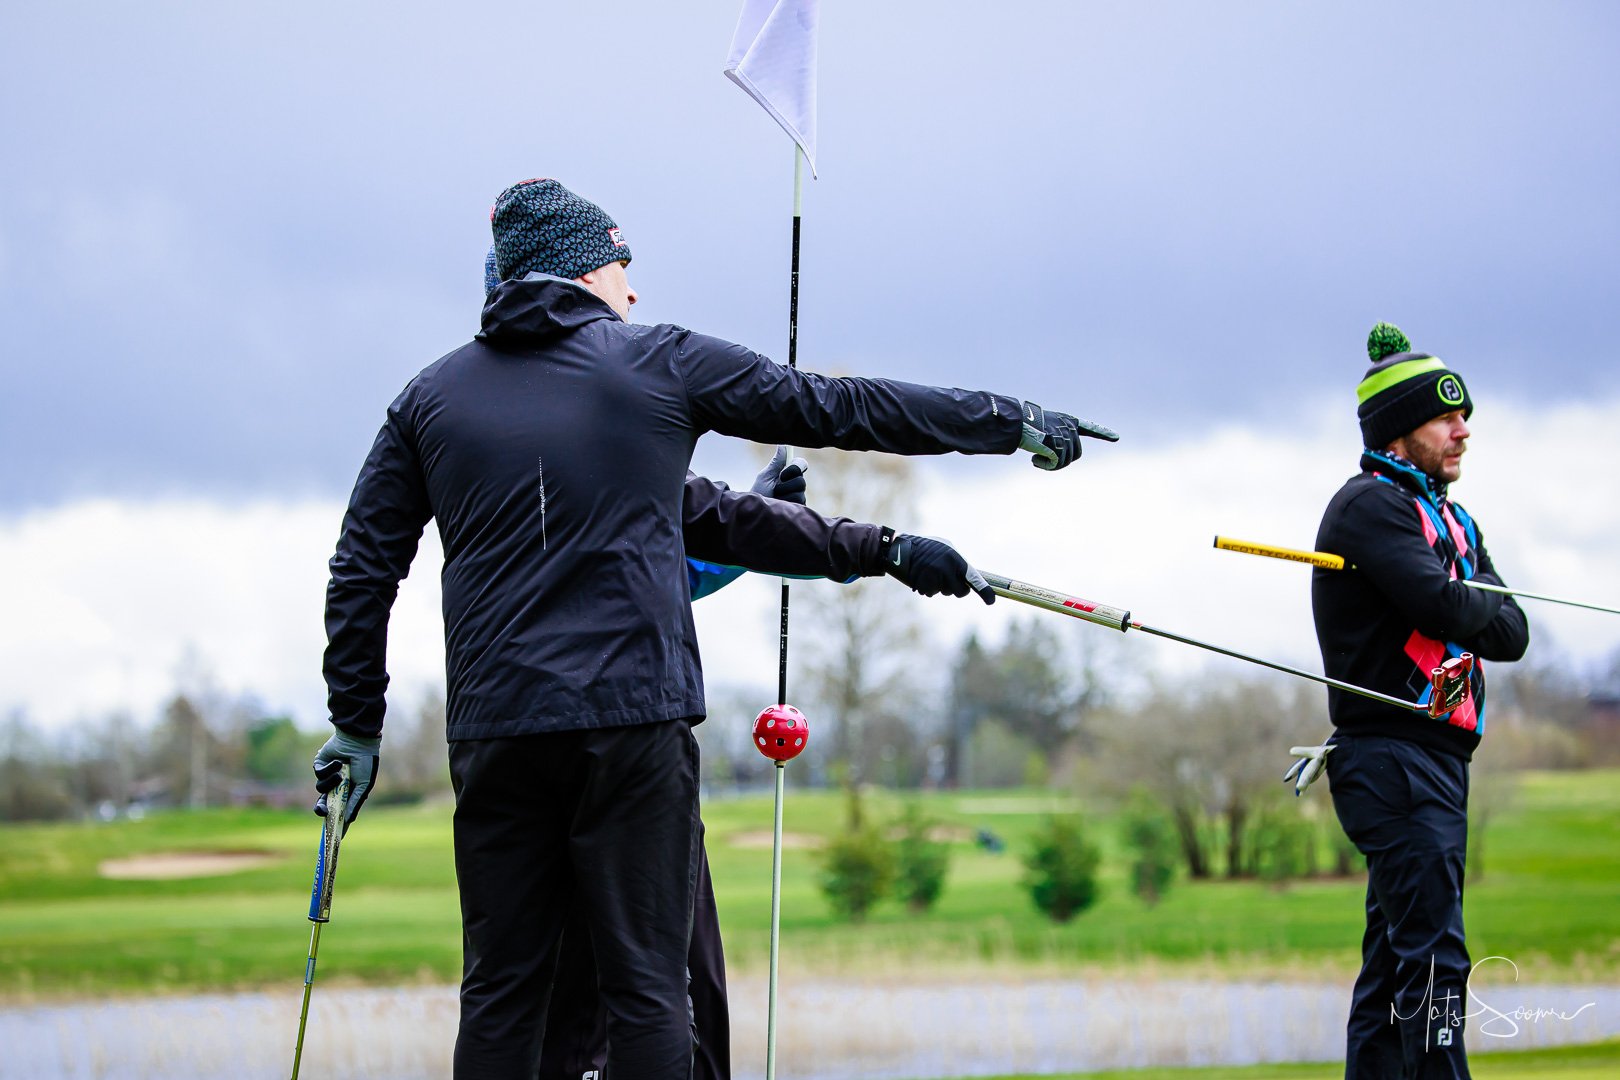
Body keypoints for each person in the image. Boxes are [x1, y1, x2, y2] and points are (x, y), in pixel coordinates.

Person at [317, 177, 1117, 1080]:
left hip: (497, 732)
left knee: (501, 995)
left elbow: (362, 568)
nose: (634, 290)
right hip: (631, 727)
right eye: (625, 268)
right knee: (650, 991)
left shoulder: (426, 401)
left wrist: (357, 724)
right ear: (588, 270)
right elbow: (838, 407)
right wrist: (1012, 423)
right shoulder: (657, 361)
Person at [1312, 322, 1529, 1079]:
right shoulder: (1369, 507)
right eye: (1447, 416)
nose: (1464, 430)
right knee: (1436, 958)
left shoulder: (1452, 517)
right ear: (1400, 431)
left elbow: (1514, 630)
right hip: (1391, 758)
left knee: (1392, 963)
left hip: (1438, 760)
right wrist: (1463, 599)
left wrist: (1459, 599)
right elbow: (1443, 604)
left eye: (1463, 415)